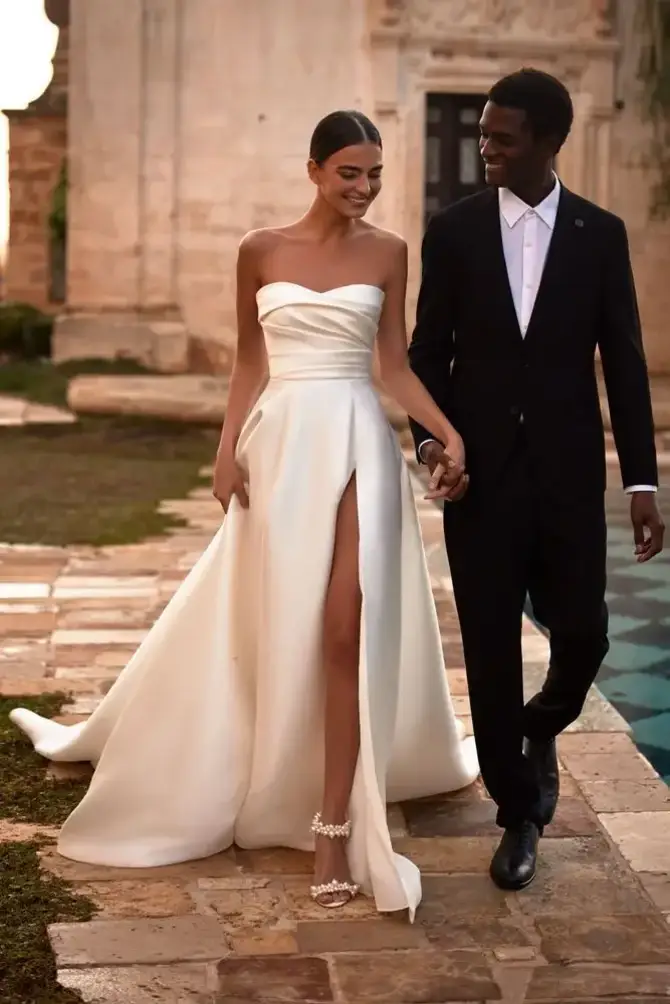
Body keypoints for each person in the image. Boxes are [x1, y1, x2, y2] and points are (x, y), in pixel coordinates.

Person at [10, 109, 478, 920]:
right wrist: (227, 451)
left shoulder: (391, 253)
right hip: (283, 445)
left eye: (375, 174)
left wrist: (446, 428)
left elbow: (391, 365)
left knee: (345, 628)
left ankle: (334, 827)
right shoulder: (260, 250)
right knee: (282, 625)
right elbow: (248, 360)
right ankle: (259, 770)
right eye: (349, 173)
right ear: (313, 170)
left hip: (359, 440)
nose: (364, 189)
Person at [409, 67, 665, 893]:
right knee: (486, 647)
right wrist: (431, 443)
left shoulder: (601, 232)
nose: (485, 147)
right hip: (478, 478)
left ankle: (532, 730)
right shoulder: (452, 232)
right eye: (483, 132)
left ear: (550, 142)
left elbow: (624, 364)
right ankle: (520, 813)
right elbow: (425, 355)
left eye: (501, 136)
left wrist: (642, 483)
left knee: (585, 635)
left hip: (567, 475)